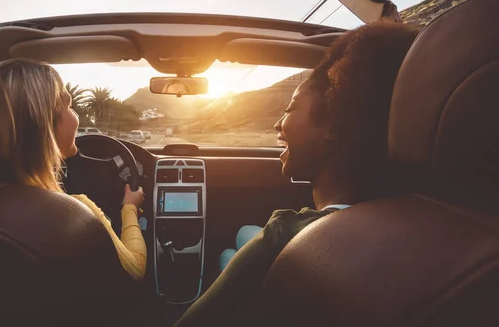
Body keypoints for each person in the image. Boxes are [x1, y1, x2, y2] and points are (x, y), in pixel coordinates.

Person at [174, 21, 419, 327]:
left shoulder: (283, 236)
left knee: (231, 252)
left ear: (333, 125)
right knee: (241, 237)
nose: (278, 125)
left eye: (290, 109)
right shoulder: (427, 221)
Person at [0, 59, 147, 282]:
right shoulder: (74, 214)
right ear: (45, 123)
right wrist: (130, 208)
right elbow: (136, 270)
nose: (75, 117)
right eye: (68, 106)